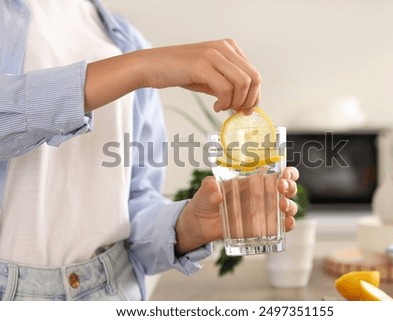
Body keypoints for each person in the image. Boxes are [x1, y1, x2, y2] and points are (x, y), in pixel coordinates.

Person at [0, 0, 299, 301]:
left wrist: (192, 225)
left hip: (113, 292)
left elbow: (133, 207)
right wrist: (140, 67)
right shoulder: (137, 58)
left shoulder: (122, 38)